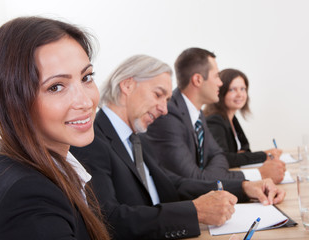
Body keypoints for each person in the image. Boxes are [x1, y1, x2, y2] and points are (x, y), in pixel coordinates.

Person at [70, 54, 285, 240]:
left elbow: (173, 184)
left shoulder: (136, 138)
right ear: (127, 86)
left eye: (167, 99)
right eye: (158, 95)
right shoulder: (91, 140)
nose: (164, 109)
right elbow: (110, 220)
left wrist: (245, 187)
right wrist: (195, 211)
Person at [0, 17, 110, 240]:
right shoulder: (27, 198)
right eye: (56, 87)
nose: (85, 101)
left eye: (86, 77)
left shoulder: (43, 168)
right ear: (15, 100)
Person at [146, 47, 285, 184]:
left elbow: (218, 156)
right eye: (217, 76)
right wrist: (258, 174)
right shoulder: (168, 115)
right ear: (198, 80)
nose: (220, 83)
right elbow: (194, 180)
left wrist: (208, 175)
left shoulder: (196, 113)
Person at [203, 68, 283, 169]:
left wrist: (238, 156)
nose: (240, 94)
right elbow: (223, 158)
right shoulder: (214, 120)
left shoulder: (232, 117)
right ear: (220, 92)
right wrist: (264, 154)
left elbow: (246, 149)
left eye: (243, 89)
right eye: (232, 89)